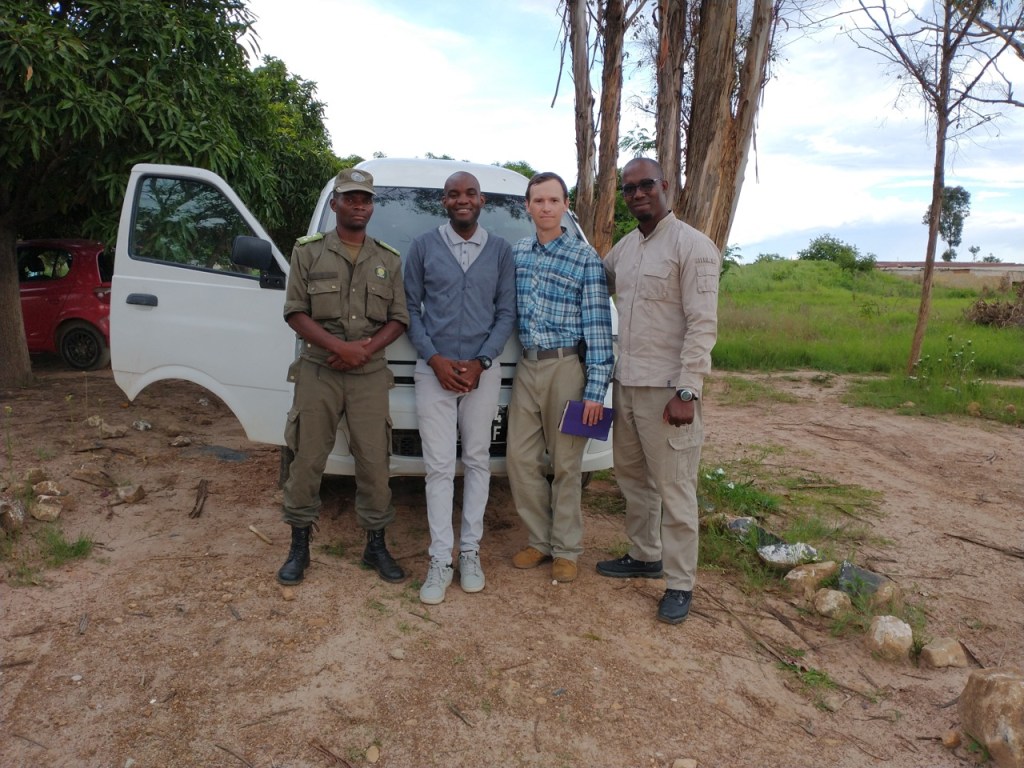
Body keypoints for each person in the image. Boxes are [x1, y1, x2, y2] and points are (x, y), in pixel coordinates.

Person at [596, 157, 721, 624]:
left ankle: (680, 582)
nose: (637, 194)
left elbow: (702, 324)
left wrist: (688, 391)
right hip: (625, 385)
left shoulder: (694, 247)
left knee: (675, 488)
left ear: (665, 186)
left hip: (668, 393)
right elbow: (596, 282)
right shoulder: (626, 249)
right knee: (633, 479)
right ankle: (645, 554)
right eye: (628, 189)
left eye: (645, 185)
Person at [277, 168, 410, 586]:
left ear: (372, 206)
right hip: (319, 371)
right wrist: (339, 348)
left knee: (374, 462)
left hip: (369, 374)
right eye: (350, 198)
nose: (358, 206)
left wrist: (363, 350)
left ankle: (375, 545)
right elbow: (294, 311)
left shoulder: (388, 259)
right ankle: (299, 545)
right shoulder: (308, 252)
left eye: (365, 199)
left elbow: (399, 318)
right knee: (307, 459)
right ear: (335, 204)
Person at [403, 171, 517, 605]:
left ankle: (469, 552)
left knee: (476, 461)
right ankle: (439, 560)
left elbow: (505, 312)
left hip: (482, 373)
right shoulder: (423, 247)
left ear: (481, 200)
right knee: (436, 467)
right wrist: (435, 360)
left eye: (469, 193)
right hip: (433, 371)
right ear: (444, 202)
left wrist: (481, 361)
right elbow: (410, 308)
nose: (462, 200)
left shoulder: (501, 251)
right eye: (454, 194)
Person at [507, 172, 614, 584]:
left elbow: (599, 327)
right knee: (519, 459)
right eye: (538, 201)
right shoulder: (517, 254)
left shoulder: (585, 258)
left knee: (567, 463)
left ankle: (567, 549)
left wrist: (595, 392)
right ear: (528, 206)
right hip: (527, 366)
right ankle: (539, 540)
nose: (546, 207)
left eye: (554, 200)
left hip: (568, 367)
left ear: (566, 205)